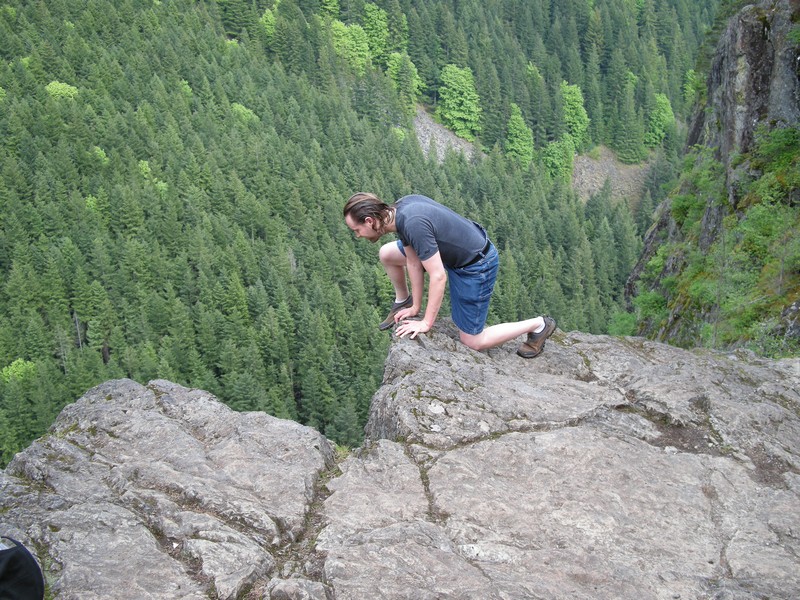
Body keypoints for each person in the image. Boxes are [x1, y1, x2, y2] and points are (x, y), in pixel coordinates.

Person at [343, 192, 556, 358]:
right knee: (387, 254)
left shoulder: (412, 223)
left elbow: (438, 277)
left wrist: (426, 323)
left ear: (369, 220)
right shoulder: (398, 212)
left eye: (356, 230)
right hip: (450, 252)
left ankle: (539, 325)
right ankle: (403, 300)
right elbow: (413, 262)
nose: (357, 236)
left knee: (472, 341)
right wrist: (415, 307)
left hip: (475, 265)